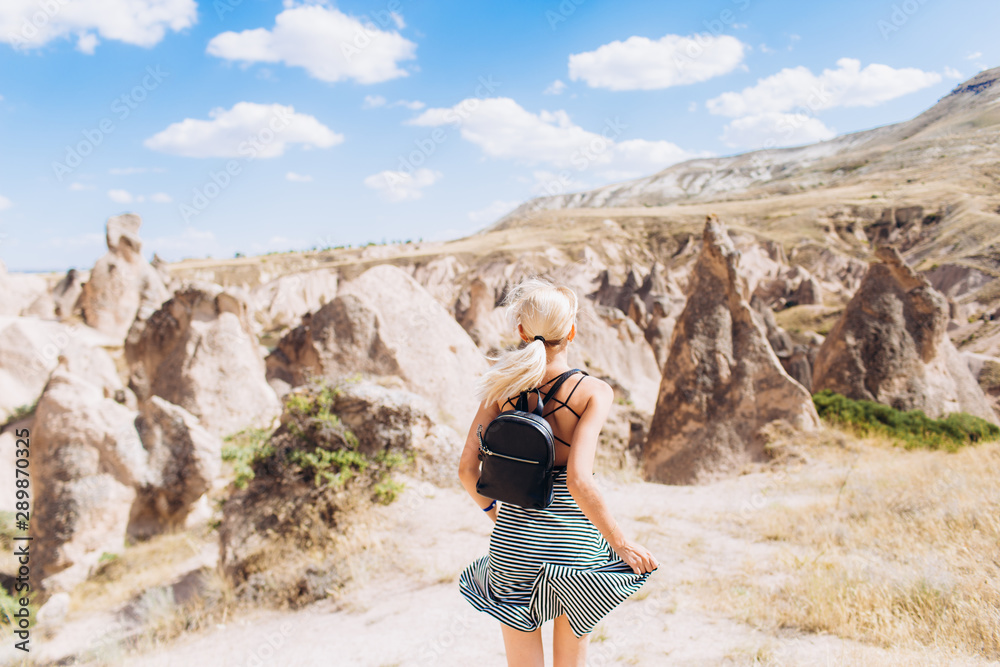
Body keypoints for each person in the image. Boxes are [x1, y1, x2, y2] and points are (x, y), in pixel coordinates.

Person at [457, 277, 658, 667]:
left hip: (511, 548)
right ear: (571, 331)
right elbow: (579, 481)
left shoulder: (500, 387)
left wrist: (497, 517)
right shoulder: (593, 392)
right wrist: (621, 543)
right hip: (574, 550)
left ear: (520, 331)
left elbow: (467, 470)